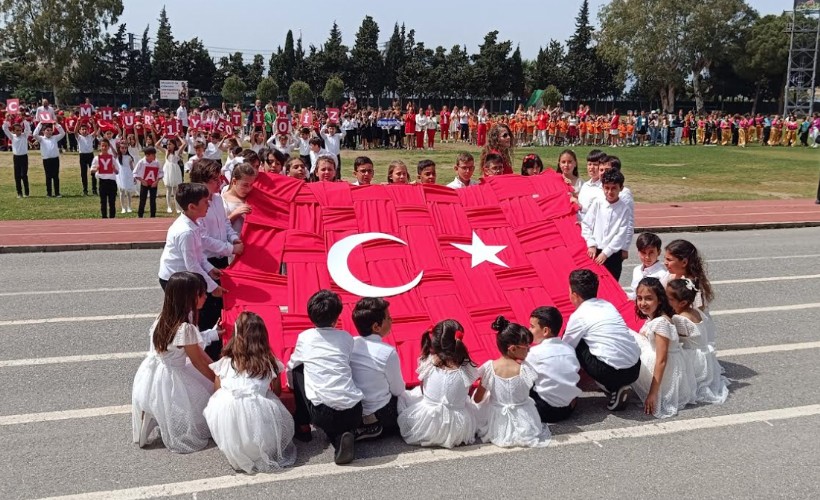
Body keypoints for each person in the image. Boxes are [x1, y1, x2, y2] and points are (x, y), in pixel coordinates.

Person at [131, 271, 216, 452]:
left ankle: (154, 415)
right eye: (201, 293)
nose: (206, 296)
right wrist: (217, 380)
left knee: (166, 401)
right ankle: (165, 421)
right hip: (173, 375)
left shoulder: (164, 317)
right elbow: (198, 361)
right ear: (190, 298)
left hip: (153, 373)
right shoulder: (185, 328)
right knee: (204, 396)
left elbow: (197, 352)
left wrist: (216, 368)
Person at [204, 311, 296, 472]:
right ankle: (261, 448)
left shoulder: (226, 362)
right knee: (271, 400)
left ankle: (239, 450)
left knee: (220, 400)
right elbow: (277, 391)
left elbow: (217, 390)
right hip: (259, 423)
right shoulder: (269, 362)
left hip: (229, 422)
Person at [287, 290, 364, 465]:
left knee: (299, 369)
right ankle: (343, 437)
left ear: (311, 316)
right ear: (336, 317)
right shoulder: (346, 338)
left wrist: (291, 386)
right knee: (338, 421)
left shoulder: (305, 338)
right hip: (354, 408)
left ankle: (303, 425)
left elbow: (292, 366)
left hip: (324, 413)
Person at [562, 269, 641, 411]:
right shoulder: (607, 305)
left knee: (576, 344)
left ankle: (612, 389)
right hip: (635, 368)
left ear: (574, 295)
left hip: (611, 372)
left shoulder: (579, 315)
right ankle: (618, 384)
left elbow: (565, 347)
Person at [189, 159, 244, 358]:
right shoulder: (197, 204)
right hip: (205, 262)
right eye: (214, 180)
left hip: (221, 260)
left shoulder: (219, 199)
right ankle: (207, 354)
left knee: (221, 307)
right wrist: (230, 248)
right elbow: (203, 239)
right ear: (202, 182)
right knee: (206, 310)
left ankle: (220, 350)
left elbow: (225, 225)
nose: (219, 183)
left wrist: (235, 239)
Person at [398, 319, 481, 449]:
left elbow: (423, 389)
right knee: (466, 401)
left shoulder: (427, 362)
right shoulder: (467, 368)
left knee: (407, 396)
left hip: (426, 425)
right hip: (457, 431)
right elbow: (464, 392)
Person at [477, 316, 551, 448]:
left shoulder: (489, 368)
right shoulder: (525, 369)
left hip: (497, 423)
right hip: (525, 422)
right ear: (513, 349)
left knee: (488, 396)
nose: (529, 350)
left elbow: (477, 399)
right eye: (526, 347)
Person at [630, 277, 696, 418]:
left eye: (648, 298)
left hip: (664, 372)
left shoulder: (661, 323)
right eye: (639, 298)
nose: (642, 303)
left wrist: (653, 394)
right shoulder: (654, 317)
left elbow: (662, 360)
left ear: (659, 300)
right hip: (662, 363)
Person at [350, 297, 405, 439]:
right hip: (382, 411)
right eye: (388, 318)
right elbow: (398, 389)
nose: (391, 320)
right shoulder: (388, 352)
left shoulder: (351, 343)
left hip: (356, 409)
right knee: (407, 402)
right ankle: (375, 425)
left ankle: (362, 425)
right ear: (376, 327)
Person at [157, 183, 225, 298]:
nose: (209, 204)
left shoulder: (195, 222)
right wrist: (212, 287)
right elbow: (192, 265)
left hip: (184, 275)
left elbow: (198, 253)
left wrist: (209, 268)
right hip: (174, 280)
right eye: (205, 202)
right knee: (182, 313)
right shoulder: (186, 232)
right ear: (192, 207)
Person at [668, 278, 729, 404]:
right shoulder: (695, 311)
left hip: (694, 359)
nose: (665, 301)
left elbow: (671, 337)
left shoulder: (680, 319)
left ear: (682, 302)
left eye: (670, 299)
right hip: (704, 354)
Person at [525, 306, 582, 423]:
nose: (529, 330)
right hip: (568, 409)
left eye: (532, 327)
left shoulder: (534, 353)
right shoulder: (569, 349)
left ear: (545, 331)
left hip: (545, 411)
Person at [581, 169, 632, 280]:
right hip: (594, 252)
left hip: (613, 255)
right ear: (602, 187)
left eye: (614, 188)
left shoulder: (624, 209)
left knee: (611, 286)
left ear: (621, 188)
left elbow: (621, 235)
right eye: (607, 188)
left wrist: (606, 253)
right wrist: (591, 244)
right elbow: (586, 224)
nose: (610, 192)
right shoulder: (597, 203)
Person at [664, 239, 714, 311]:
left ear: (684, 262)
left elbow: (696, 313)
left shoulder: (692, 286)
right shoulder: (668, 276)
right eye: (665, 259)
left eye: (669, 260)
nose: (665, 263)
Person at [629, 232, 670, 300]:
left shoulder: (662, 274)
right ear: (638, 252)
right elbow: (634, 294)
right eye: (643, 252)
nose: (647, 257)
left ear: (659, 252)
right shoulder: (637, 270)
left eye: (651, 253)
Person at [222, 163, 256, 236]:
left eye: (251, 185)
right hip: (234, 242)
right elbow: (220, 227)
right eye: (245, 185)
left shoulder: (252, 195)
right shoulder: (223, 200)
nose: (248, 189)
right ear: (234, 181)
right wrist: (235, 214)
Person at [33, 122, 66, 197]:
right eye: (47, 130)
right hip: (46, 160)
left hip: (55, 159)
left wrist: (56, 124)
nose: (49, 132)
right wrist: (40, 124)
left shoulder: (55, 138)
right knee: (48, 176)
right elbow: (35, 134)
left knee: (55, 176)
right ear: (43, 131)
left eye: (51, 130)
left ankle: (57, 193)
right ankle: (49, 193)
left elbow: (63, 133)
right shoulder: (41, 139)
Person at [89, 139, 120, 219]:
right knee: (103, 202)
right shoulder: (96, 158)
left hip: (112, 182)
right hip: (102, 182)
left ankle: (112, 218)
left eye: (106, 146)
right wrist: (97, 169)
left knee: (112, 202)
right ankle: (104, 218)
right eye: (102, 145)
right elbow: (91, 170)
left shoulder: (112, 158)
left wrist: (114, 169)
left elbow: (117, 172)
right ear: (100, 146)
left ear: (109, 147)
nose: (104, 147)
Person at [2, 119, 31, 198]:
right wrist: (6, 121)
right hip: (16, 157)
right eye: (17, 130)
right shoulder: (12, 136)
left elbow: (27, 129)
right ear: (14, 131)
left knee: (24, 175)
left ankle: (27, 192)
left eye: (20, 130)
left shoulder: (24, 135)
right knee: (17, 176)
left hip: (24, 157)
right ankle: (19, 193)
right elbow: (5, 129)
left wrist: (24, 121)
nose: (19, 131)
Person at [133, 146, 163, 218]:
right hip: (144, 183)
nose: (155, 156)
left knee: (153, 200)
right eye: (153, 155)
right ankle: (140, 216)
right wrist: (141, 180)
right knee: (142, 200)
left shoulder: (156, 162)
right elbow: (135, 172)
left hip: (153, 184)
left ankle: (153, 216)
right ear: (147, 155)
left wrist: (157, 181)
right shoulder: (141, 162)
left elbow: (161, 173)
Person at [160, 137, 184, 214]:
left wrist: (178, 136)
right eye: (167, 144)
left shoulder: (177, 152)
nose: (168, 146)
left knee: (175, 190)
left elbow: (184, 144)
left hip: (175, 171)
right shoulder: (166, 152)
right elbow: (157, 145)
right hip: (168, 171)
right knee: (168, 190)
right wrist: (163, 137)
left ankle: (178, 207)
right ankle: (169, 207)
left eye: (170, 144)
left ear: (174, 145)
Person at [75, 123, 97, 196]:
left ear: (88, 130)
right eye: (82, 129)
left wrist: (93, 122)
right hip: (82, 156)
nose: (84, 131)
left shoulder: (90, 136)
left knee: (93, 173)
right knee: (83, 173)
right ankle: (85, 190)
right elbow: (75, 131)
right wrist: (78, 122)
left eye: (85, 129)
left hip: (90, 155)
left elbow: (96, 131)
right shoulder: (79, 137)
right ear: (80, 131)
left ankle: (94, 190)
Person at [115, 141, 136, 213]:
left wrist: (134, 176)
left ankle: (129, 206)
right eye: (122, 148)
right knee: (121, 191)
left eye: (125, 148)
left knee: (128, 192)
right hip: (120, 175)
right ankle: (123, 207)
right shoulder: (117, 157)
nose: (124, 149)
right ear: (119, 148)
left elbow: (132, 168)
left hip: (128, 175)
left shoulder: (129, 157)